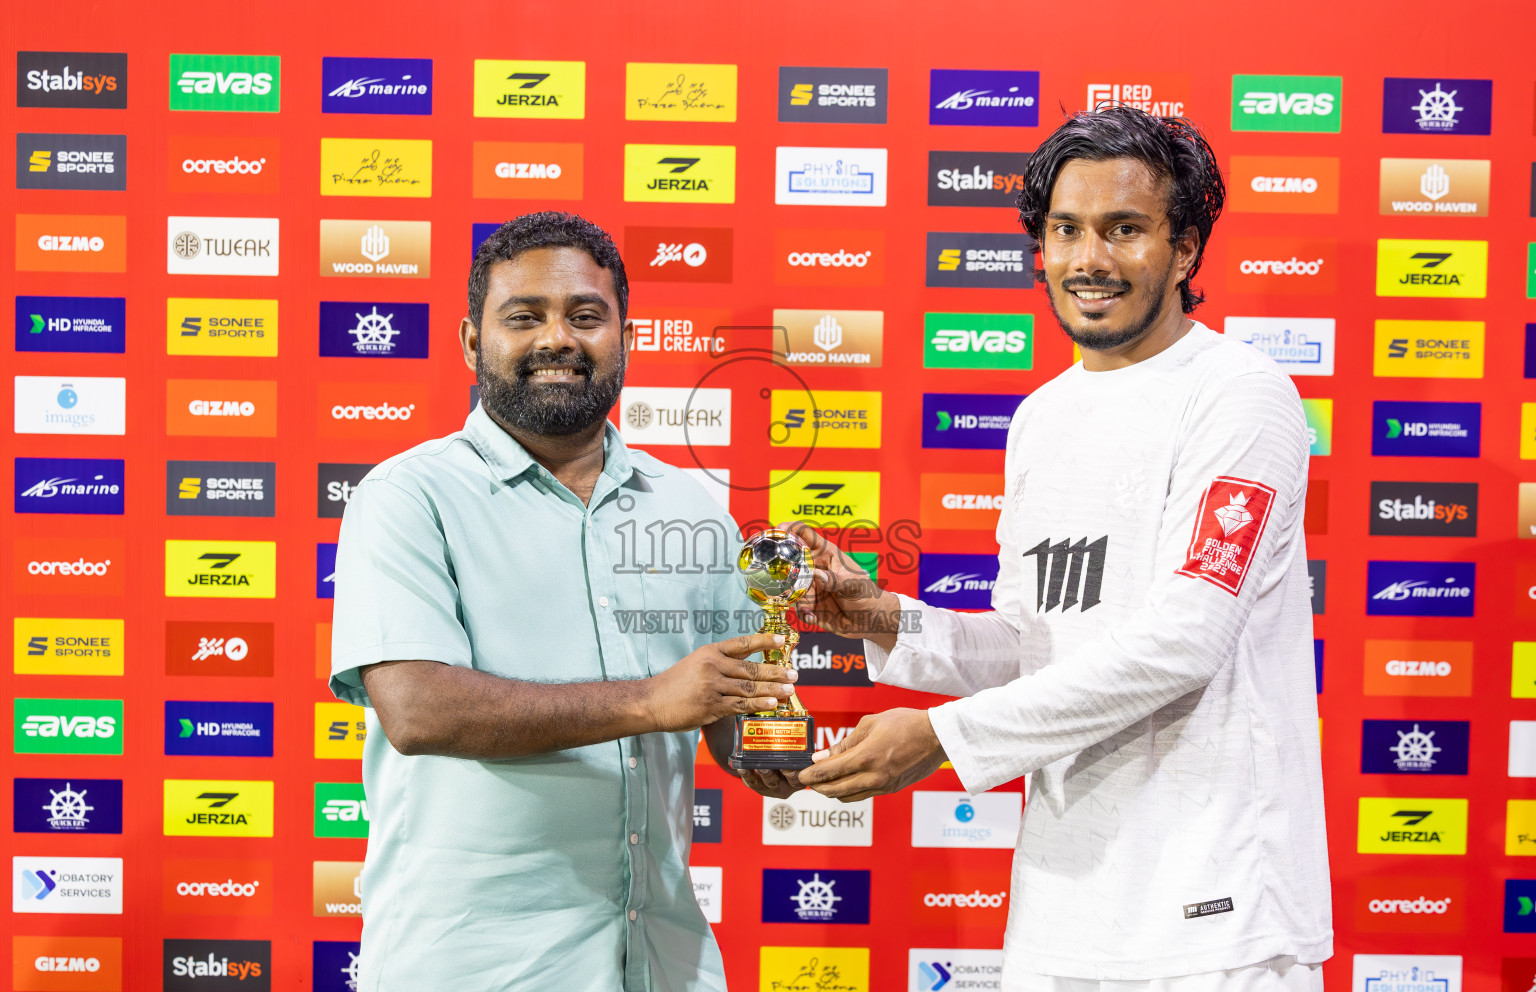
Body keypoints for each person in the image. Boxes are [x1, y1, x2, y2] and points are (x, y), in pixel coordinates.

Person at [791, 107, 1332, 991]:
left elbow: (1186, 638)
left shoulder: (1240, 395)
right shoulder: (1041, 417)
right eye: (1067, 230)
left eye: (1124, 229)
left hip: (1215, 916)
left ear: (1186, 250)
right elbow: (1030, 647)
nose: (1090, 259)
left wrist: (943, 737)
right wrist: (884, 619)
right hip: (1060, 913)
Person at [329, 211, 796, 991]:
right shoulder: (409, 496)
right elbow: (416, 709)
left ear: (626, 338)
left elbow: (730, 714)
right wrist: (651, 700)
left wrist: (781, 753)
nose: (558, 339)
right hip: (473, 972)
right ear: (472, 343)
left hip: (660, 962)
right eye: (524, 317)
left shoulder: (693, 507)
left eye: (585, 316)